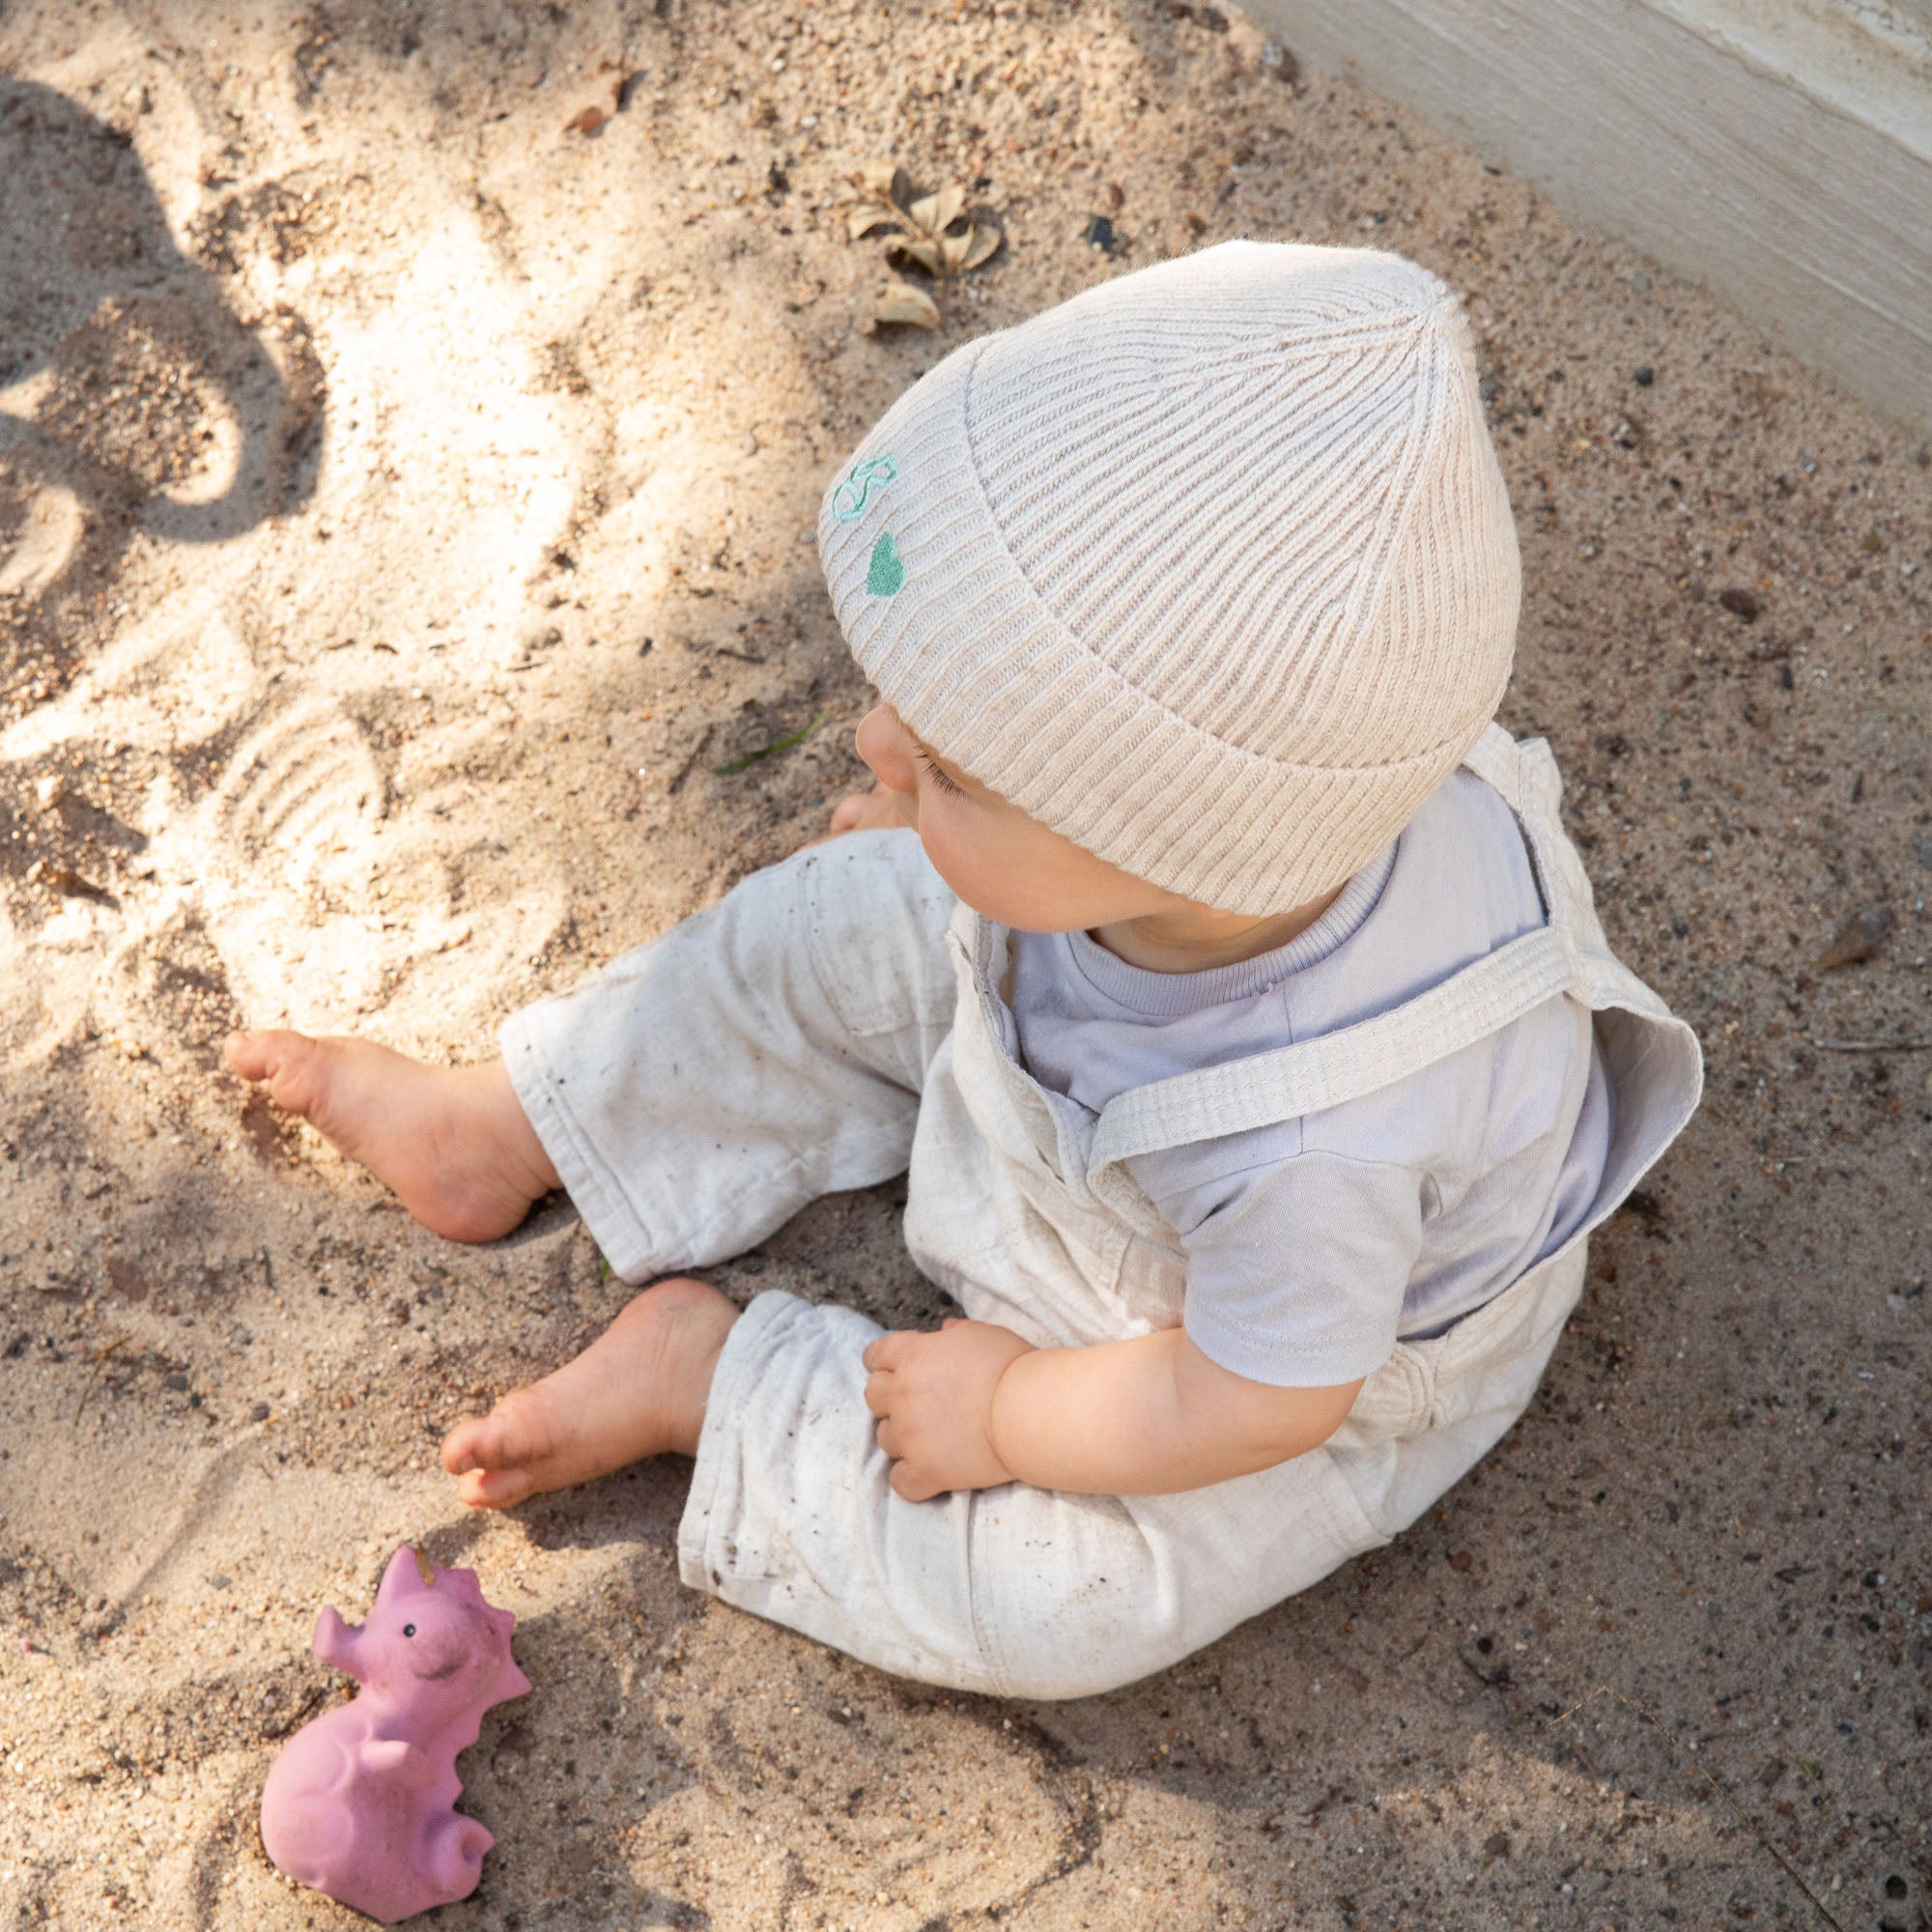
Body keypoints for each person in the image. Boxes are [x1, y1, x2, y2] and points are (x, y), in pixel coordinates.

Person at [225, 242, 1701, 1699]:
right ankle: (510, 1118)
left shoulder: (1326, 1149)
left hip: (1216, 1343)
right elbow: (1022, 813)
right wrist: (956, 821)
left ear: (1165, 854)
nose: (871, 744)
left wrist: (1011, 1409)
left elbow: (1251, 1402)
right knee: (817, 928)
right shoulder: (1225, 822)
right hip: (1072, 1008)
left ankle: (720, 1383)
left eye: (951, 764)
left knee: (1063, 1605)